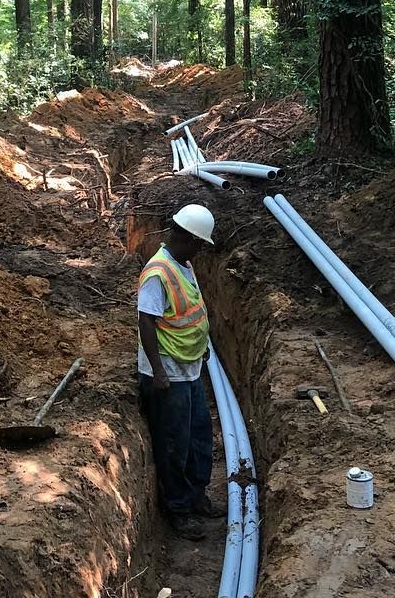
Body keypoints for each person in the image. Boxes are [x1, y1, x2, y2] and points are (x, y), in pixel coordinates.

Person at [137, 203, 225, 540]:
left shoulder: (183, 265)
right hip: (168, 372)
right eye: (199, 244)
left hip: (188, 366)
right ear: (186, 237)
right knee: (174, 443)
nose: (200, 251)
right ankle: (178, 510)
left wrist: (201, 348)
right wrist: (158, 372)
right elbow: (147, 321)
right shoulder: (157, 273)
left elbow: (189, 312)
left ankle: (196, 495)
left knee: (199, 436)